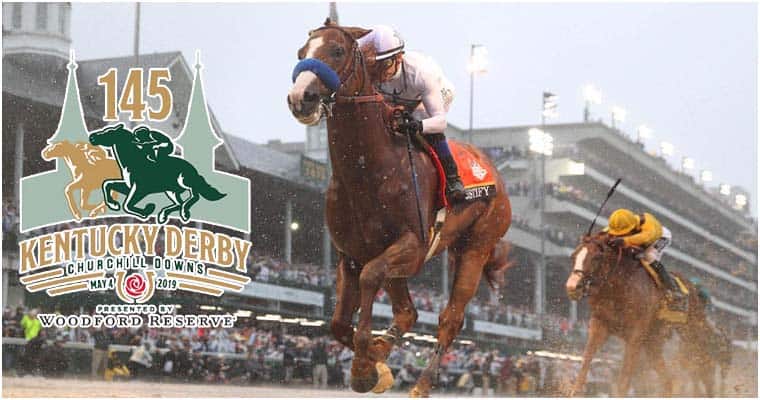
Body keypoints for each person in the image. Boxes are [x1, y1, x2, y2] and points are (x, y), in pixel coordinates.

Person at [358, 25, 465, 202]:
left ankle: (453, 178)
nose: (378, 73)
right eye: (373, 65)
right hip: (402, 99)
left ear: (399, 58)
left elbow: (440, 121)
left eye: (383, 65)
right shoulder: (375, 74)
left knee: (421, 118)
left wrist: (417, 126)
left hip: (435, 94)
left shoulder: (421, 73)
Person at [606, 208, 686, 311]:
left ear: (632, 225)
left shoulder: (648, 223)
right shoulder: (621, 223)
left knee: (648, 256)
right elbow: (605, 233)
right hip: (640, 238)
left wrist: (625, 240)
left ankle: (673, 290)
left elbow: (645, 238)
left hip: (659, 237)